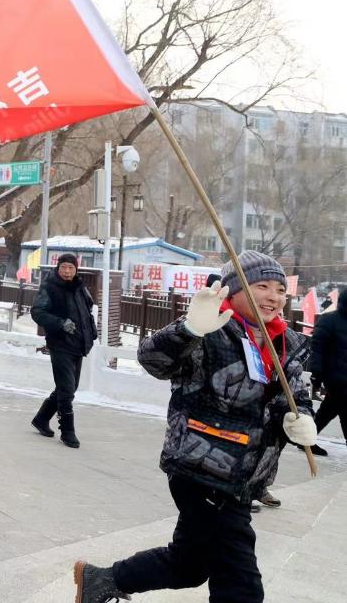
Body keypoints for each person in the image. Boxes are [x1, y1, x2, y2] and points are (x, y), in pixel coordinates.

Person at [74, 250, 315, 603]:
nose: (273, 297)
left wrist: (301, 418)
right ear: (233, 289)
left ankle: (101, 580)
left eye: (280, 289)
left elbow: (294, 396)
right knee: (241, 585)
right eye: (261, 286)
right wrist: (189, 329)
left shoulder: (285, 342)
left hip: (244, 478)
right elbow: (152, 359)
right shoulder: (212, 329)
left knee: (188, 565)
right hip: (202, 470)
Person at [30, 253, 98, 448]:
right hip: (60, 344)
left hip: (78, 344)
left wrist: (91, 332)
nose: (67, 271)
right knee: (67, 389)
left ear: (76, 269)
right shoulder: (50, 287)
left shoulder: (80, 287)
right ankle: (67, 431)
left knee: (68, 387)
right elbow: (37, 312)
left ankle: (41, 418)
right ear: (58, 268)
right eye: (64, 267)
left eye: (71, 268)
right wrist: (60, 323)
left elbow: (87, 312)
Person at [307, 284, 347, 452]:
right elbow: (317, 347)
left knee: (329, 408)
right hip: (335, 375)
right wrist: (316, 372)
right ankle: (306, 439)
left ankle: (306, 439)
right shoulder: (329, 319)